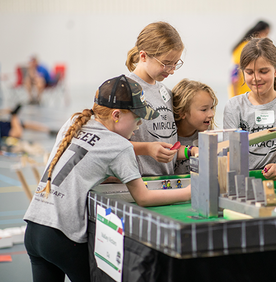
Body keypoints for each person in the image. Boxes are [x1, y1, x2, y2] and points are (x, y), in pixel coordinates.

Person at [23, 74, 191, 282]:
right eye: (137, 119)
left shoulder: (74, 122)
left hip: (34, 227)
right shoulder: (119, 146)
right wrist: (189, 192)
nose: (138, 126)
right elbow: (144, 198)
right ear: (116, 115)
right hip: (63, 237)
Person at [125, 21, 198, 176]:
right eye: (166, 64)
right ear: (143, 56)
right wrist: (147, 149)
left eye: (175, 64)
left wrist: (191, 150)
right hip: (138, 183)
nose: (171, 71)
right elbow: (109, 145)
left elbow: (168, 144)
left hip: (166, 181)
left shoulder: (166, 93)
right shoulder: (124, 91)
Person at [223, 37, 276, 181]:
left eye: (263, 71)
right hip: (243, 185)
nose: (256, 78)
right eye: (249, 72)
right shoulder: (233, 107)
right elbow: (229, 155)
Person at [172, 79, 218, 174]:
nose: (211, 114)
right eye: (204, 109)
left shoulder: (206, 133)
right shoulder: (168, 136)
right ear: (182, 112)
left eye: (211, 108)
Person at [229, 20, 270, 98]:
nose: (267, 37)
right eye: (266, 34)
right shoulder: (246, 47)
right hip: (242, 95)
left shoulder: (248, 46)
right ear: (259, 32)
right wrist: (235, 99)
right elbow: (234, 73)